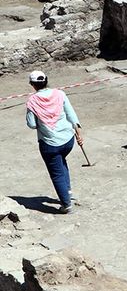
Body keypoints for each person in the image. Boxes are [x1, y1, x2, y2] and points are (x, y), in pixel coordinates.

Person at [26, 71, 83, 214]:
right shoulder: (60, 94)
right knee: (62, 162)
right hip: (68, 139)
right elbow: (71, 114)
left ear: (32, 85)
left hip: (50, 143)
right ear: (46, 81)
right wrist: (78, 132)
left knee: (56, 173)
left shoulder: (32, 101)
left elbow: (32, 124)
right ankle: (68, 192)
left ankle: (66, 204)